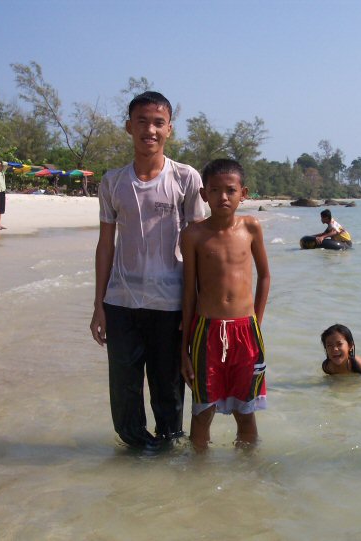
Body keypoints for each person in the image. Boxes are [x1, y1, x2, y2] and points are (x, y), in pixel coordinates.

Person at [89, 91, 206, 449]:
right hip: (120, 302)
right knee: (124, 394)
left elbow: (200, 245)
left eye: (158, 123)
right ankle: (137, 454)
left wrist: (196, 308)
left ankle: (168, 460)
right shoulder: (113, 182)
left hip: (170, 305)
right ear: (129, 127)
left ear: (169, 129)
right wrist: (98, 305)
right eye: (142, 122)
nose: (150, 130)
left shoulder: (185, 178)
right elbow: (106, 244)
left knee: (168, 393)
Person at [180, 158, 270, 450]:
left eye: (230, 190)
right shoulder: (193, 235)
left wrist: (256, 323)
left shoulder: (251, 227)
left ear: (243, 193)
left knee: (246, 411)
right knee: (202, 410)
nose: (223, 197)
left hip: (246, 331)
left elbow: (265, 276)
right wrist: (184, 348)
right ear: (203, 194)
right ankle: (199, 471)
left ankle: (246, 472)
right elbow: (189, 292)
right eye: (215, 190)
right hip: (206, 331)